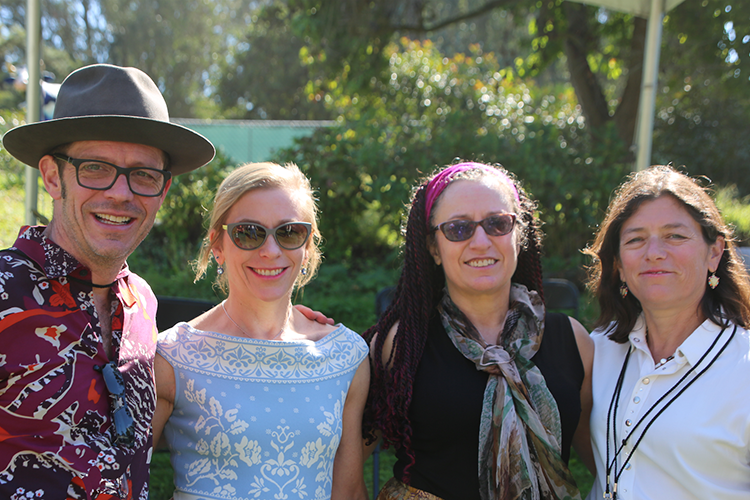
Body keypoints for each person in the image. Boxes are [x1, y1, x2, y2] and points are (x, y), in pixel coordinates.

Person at [0, 64, 215, 499]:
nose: (121, 193)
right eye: (95, 168)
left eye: (144, 175)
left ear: (163, 191)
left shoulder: (142, 304)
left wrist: (285, 320)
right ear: (51, 176)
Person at [364, 161, 594, 500]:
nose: (481, 241)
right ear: (433, 248)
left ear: (519, 235)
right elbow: (343, 458)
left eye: (498, 223)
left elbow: (610, 460)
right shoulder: (400, 344)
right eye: (459, 229)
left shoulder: (572, 340)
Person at [151, 162, 370, 500]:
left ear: (308, 245)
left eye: (290, 232)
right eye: (249, 232)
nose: (271, 250)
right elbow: (120, 478)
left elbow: (349, 491)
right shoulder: (172, 354)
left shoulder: (344, 356)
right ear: (218, 246)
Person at [583, 165, 750, 499]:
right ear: (618, 264)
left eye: (675, 236)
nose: (654, 252)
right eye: (636, 239)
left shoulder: (742, 368)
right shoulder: (596, 351)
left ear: (714, 252)